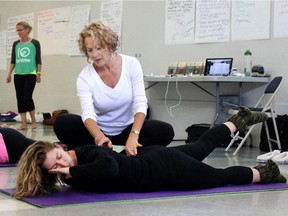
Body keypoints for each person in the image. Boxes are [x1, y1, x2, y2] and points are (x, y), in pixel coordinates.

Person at [13, 107, 286, 198]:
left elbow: (109, 170)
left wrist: (69, 168)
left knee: (219, 176)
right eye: (54, 166)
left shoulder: (88, 155)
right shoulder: (73, 172)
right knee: (201, 147)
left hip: (165, 169)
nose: (61, 163)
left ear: (60, 147)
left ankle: (265, 173)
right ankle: (237, 121)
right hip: (157, 160)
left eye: (58, 156)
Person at [53, 21, 174, 156]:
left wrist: (134, 135)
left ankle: (121, 158)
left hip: (128, 128)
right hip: (99, 131)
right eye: (90, 50)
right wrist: (99, 137)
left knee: (165, 131)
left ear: (110, 45)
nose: (94, 55)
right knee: (63, 123)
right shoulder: (85, 77)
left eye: (99, 48)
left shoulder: (131, 64)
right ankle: (102, 152)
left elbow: (140, 103)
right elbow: (88, 114)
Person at [6, 21, 42, 130]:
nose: (19, 32)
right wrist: (9, 74)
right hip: (18, 74)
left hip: (30, 74)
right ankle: (23, 123)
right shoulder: (16, 44)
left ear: (27, 29)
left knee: (27, 97)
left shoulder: (35, 43)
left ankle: (33, 121)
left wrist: (38, 73)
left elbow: (38, 60)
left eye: (20, 30)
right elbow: (13, 60)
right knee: (19, 98)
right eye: (17, 30)